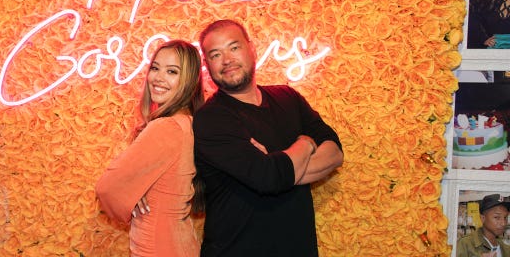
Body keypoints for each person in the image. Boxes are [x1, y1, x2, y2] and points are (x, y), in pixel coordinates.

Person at [192, 19, 344, 256]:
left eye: (234, 47)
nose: (227, 60)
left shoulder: (288, 97)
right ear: (207, 65)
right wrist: (305, 143)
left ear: (252, 49)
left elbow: (335, 153)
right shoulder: (211, 118)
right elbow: (268, 179)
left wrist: (279, 168)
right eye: (215, 54)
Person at [95, 39, 204, 257]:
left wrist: (129, 195)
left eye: (172, 71)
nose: (158, 78)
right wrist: (134, 191)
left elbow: (106, 189)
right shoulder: (189, 123)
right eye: (155, 68)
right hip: (178, 243)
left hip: (159, 247)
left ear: (189, 82)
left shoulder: (167, 127)